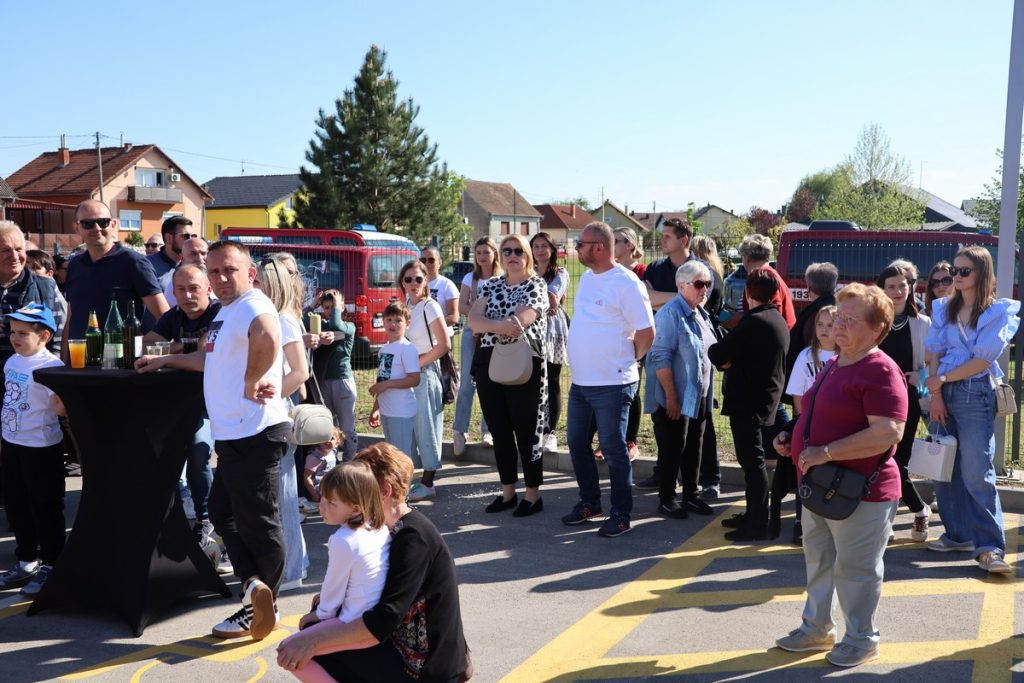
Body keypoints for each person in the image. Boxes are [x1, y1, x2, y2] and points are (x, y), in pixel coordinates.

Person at [137, 240, 291, 641]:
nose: (221, 278)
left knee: (259, 523)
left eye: (230, 270)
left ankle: (264, 606)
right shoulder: (226, 312)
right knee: (223, 514)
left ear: (250, 273)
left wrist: (252, 380)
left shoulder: (253, 304)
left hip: (255, 431)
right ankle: (255, 588)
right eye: (215, 272)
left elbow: (268, 334)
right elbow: (209, 359)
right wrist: (164, 359)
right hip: (234, 433)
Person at [773, 282, 907, 668]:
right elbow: (818, 413)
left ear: (877, 328)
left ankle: (862, 639)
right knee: (819, 562)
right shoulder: (836, 362)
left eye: (850, 320)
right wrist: (793, 435)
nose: (838, 326)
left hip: (859, 492)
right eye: (838, 318)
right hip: (821, 485)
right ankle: (816, 627)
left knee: (855, 570)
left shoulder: (880, 370)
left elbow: (888, 432)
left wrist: (824, 452)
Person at [276, 442, 469, 683]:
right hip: (404, 647)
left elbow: (384, 619)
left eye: (359, 487)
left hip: (424, 667)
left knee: (300, 649)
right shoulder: (384, 528)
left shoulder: (413, 538)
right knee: (312, 632)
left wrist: (313, 642)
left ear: (384, 491)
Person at [924, 246, 1020, 573]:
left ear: (982, 273)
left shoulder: (998, 311)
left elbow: (982, 359)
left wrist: (941, 380)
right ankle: (958, 534)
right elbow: (934, 352)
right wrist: (936, 391)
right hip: (944, 391)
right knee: (943, 466)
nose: (957, 277)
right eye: (955, 270)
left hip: (975, 392)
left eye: (964, 271)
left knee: (977, 471)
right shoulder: (943, 308)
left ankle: (990, 548)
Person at [563, 222, 655, 538]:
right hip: (582, 383)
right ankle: (590, 503)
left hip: (613, 384)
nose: (576, 248)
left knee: (614, 449)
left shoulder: (626, 283)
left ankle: (621, 514)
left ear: (599, 248)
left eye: (580, 243)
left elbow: (647, 331)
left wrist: (630, 359)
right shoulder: (588, 279)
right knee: (577, 443)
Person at [635, 217, 720, 487]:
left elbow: (701, 304)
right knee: (665, 422)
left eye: (668, 236)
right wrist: (680, 299)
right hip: (663, 352)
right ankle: (665, 476)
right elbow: (644, 300)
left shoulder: (701, 270)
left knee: (699, 423)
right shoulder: (656, 268)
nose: (662, 240)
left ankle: (709, 479)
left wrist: (663, 300)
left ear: (684, 240)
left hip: (693, 360)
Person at [289, 460, 392, 682]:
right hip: (371, 620)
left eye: (331, 502)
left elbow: (332, 592)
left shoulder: (343, 540)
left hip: (353, 624)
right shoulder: (378, 527)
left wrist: (316, 615)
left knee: (289, 652)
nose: (322, 506)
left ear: (355, 508)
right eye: (322, 497)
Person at [470, 234, 549, 518]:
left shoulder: (536, 284)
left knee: (526, 429)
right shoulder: (491, 284)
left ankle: (532, 494)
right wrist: (503, 325)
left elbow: (524, 320)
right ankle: (507, 493)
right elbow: (473, 321)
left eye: (518, 251)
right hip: (489, 361)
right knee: (499, 429)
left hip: (524, 362)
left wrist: (491, 325)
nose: (512, 255)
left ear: (527, 255)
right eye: (506, 251)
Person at [709, 268, 789, 541]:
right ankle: (754, 513)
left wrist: (729, 358)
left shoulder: (752, 321)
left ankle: (757, 522)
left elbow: (718, 353)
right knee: (753, 461)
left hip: (748, 402)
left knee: (752, 463)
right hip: (764, 398)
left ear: (748, 292)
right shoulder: (775, 318)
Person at [144, 265, 222, 540]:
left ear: (208, 289)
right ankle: (177, 520)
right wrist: (182, 348)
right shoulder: (173, 316)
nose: (188, 295)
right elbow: (147, 345)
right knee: (166, 455)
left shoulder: (219, 313)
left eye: (194, 288)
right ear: (174, 293)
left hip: (216, 402)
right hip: (180, 401)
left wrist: (170, 352)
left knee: (200, 455)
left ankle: (207, 519)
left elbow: (205, 356)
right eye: (181, 289)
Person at [0, 304, 65, 596]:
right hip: (13, 443)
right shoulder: (12, 362)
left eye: (23, 333)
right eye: (13, 331)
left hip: (41, 447)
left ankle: (52, 563)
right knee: (17, 504)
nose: (15, 338)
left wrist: (65, 398)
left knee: (45, 506)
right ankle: (27, 558)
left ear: (44, 336)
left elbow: (60, 409)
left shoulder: (51, 367)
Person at [645, 260, 718, 519]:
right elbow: (660, 357)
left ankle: (691, 495)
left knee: (694, 446)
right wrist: (671, 397)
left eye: (707, 283)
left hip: (698, 394)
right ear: (681, 286)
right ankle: (666, 499)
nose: (705, 289)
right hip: (675, 395)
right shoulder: (670, 313)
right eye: (699, 284)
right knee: (674, 447)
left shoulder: (700, 312)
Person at [256, 257, 311, 592]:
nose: (253, 287)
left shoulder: (283, 319)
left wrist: (268, 398)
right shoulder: (274, 316)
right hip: (271, 410)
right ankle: (293, 564)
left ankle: (291, 570)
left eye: (258, 281)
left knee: (285, 495)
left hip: (276, 412)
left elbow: (300, 372)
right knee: (279, 493)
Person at [63, 200, 168, 348]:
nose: (97, 228)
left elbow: (164, 316)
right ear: (77, 228)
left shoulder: (133, 262)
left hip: (121, 360)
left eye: (103, 222)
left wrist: (141, 347)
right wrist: (64, 358)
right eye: (87, 223)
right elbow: (71, 317)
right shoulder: (75, 264)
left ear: (113, 224)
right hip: (79, 359)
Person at [876, 261, 931, 542]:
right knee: (877, 459)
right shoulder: (874, 322)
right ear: (882, 290)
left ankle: (919, 510)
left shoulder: (922, 323)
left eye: (902, 286)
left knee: (898, 461)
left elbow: (934, 365)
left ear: (910, 288)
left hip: (907, 401)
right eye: (891, 287)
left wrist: (920, 377)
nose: (898, 291)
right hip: (874, 401)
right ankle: (886, 519)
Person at [777, 305, 837, 544]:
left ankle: (831, 522)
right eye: (820, 325)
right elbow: (797, 395)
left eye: (830, 325)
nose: (824, 330)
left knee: (831, 475)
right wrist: (804, 423)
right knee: (805, 474)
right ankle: (801, 521)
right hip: (809, 425)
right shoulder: (805, 356)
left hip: (836, 427)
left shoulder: (846, 357)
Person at [398, 259, 450, 501]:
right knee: (411, 427)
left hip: (425, 371)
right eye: (408, 279)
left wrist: (416, 364)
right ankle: (414, 478)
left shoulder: (431, 306)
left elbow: (444, 345)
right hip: (409, 373)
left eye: (418, 279)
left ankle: (428, 483)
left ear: (426, 280)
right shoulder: (407, 305)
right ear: (402, 282)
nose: (413, 283)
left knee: (427, 426)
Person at [452, 237, 500, 455]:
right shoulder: (470, 278)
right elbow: (461, 306)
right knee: (466, 384)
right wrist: (479, 315)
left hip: (495, 334)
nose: (482, 256)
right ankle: (459, 430)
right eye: (478, 252)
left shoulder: (502, 278)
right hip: (471, 333)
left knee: (490, 382)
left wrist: (480, 312)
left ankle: (488, 430)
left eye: (486, 252)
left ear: (494, 253)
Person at [688, 234, 726, 500]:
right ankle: (704, 476)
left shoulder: (706, 276)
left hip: (703, 348)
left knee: (703, 418)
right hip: (703, 348)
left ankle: (710, 477)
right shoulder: (716, 274)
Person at [0, 223, 61, 365]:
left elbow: (58, 341)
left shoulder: (46, 287)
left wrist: (50, 373)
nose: (14, 256)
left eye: (19, 249)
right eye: (6, 250)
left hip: (34, 375)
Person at [309, 289, 358, 462]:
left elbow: (337, 326)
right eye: (326, 307)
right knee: (328, 425)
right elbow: (303, 321)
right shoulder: (321, 326)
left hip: (342, 382)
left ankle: (350, 459)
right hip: (324, 382)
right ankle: (330, 460)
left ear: (342, 307)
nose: (330, 311)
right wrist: (313, 305)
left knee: (347, 426)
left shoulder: (349, 327)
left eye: (333, 307)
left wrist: (337, 307)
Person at [530, 231, 568, 453]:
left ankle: (550, 433)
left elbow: (552, 299)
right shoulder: (527, 272)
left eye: (544, 246)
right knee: (532, 382)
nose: (540, 250)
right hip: (530, 331)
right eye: (536, 246)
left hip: (552, 331)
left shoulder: (560, 273)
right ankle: (534, 429)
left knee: (552, 381)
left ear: (552, 249)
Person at [368, 301, 420, 460]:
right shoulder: (384, 349)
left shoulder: (407, 348)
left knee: (401, 458)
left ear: (407, 324)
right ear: (383, 322)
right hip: (386, 411)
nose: (393, 324)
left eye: (398, 320)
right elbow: (383, 381)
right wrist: (376, 408)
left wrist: (387, 385)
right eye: (389, 319)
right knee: (392, 457)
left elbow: (414, 379)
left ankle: (406, 478)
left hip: (401, 412)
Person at [784, 262, 838, 391]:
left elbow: (810, 345)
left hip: (813, 378)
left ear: (809, 287)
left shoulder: (816, 313)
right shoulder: (838, 308)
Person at [301, 427, 342, 512]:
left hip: (330, 484)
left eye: (332, 438)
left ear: (337, 443)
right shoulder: (314, 457)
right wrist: (314, 494)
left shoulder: (332, 452)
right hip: (319, 488)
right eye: (324, 438)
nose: (328, 440)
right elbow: (307, 477)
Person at [162, 237, 210, 308]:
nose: (200, 258)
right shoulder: (174, 287)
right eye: (193, 254)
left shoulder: (218, 279)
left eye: (203, 253)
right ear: (182, 257)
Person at [420, 246, 460, 328]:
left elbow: (454, 317)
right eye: (423, 260)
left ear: (439, 262)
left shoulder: (447, 285)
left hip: (441, 334)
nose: (427, 264)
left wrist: (429, 327)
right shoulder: (413, 283)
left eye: (431, 260)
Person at [147, 215, 197, 280]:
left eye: (193, 236)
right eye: (185, 236)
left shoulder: (195, 263)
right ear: (168, 238)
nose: (190, 240)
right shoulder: (148, 265)